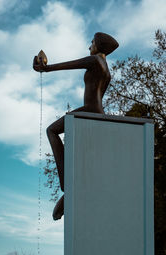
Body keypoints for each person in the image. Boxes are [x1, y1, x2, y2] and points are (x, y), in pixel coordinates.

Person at [33, 32, 119, 220]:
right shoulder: (107, 70)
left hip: (90, 109)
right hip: (97, 111)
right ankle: (72, 188)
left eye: (91, 43)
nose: (89, 46)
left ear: (98, 45)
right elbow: (101, 94)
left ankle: (68, 187)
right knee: (82, 153)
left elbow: (71, 65)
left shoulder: (95, 60)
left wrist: (45, 69)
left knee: (51, 130)